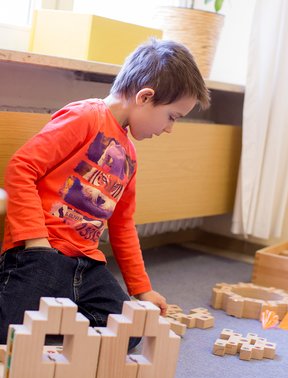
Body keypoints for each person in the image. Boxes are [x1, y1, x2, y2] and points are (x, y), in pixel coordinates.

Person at [0, 38, 210, 345]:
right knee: (11, 338)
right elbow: (22, 168)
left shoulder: (130, 157)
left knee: (130, 333)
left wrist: (142, 289)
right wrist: (37, 243)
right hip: (42, 254)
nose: (168, 129)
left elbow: (123, 225)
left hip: (86, 265)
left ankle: (53, 324)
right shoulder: (85, 117)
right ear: (145, 96)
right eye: (171, 117)